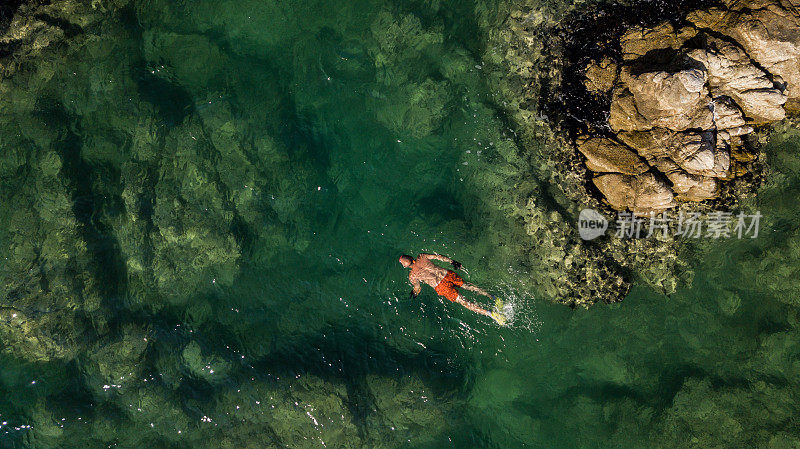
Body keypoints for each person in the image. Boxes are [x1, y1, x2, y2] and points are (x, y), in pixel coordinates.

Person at [399, 253, 506, 325]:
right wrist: (452, 261)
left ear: (405, 266)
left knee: (464, 302)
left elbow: (417, 287)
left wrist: (414, 293)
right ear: (411, 258)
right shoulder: (422, 257)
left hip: (441, 286)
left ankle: (490, 313)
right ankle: (493, 297)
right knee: (468, 286)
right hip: (446, 274)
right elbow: (439, 257)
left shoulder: (412, 276)